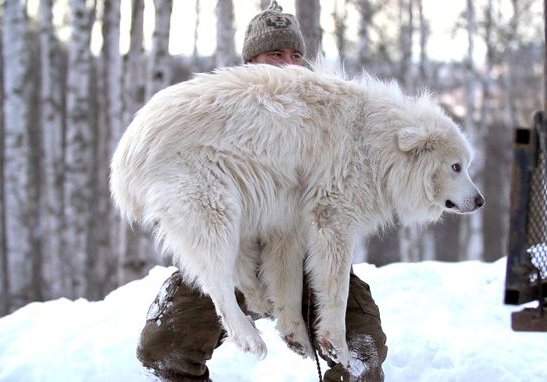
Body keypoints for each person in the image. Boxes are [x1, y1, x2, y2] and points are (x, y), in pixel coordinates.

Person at [136, 2, 387, 381]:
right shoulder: (216, 110)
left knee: (362, 347)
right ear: (251, 63)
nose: (289, 64)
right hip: (231, 256)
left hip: (304, 260)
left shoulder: (328, 112)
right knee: (164, 346)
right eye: (276, 54)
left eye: (296, 55)